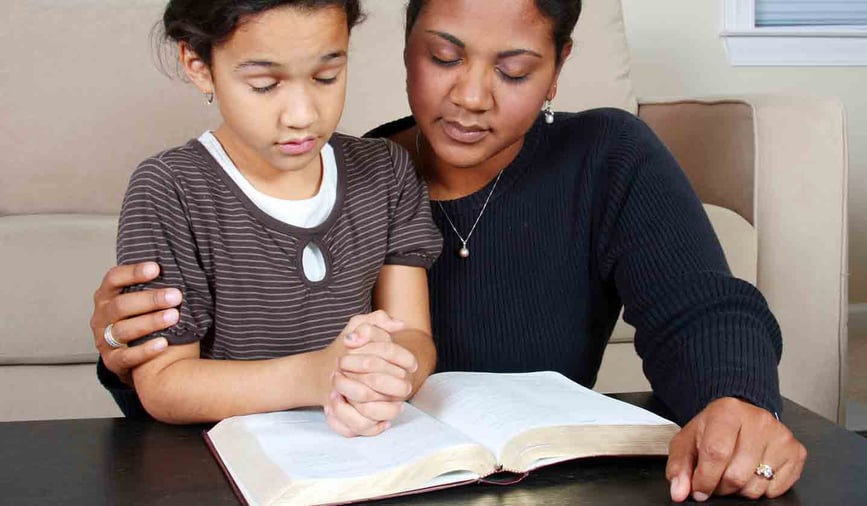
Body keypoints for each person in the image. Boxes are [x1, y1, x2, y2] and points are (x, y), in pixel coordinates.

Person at [90, 0, 807, 502]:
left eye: (515, 70)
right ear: (405, 48)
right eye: (443, 57)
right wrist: (129, 350)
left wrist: (735, 399)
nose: (471, 97)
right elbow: (193, 368)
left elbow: (700, 305)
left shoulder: (604, 157)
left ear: (558, 67)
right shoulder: (357, 169)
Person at [101, 0, 445, 436]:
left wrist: (385, 377)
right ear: (198, 65)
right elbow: (164, 383)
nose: (303, 115)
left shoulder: (385, 170)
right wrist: (317, 375)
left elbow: (413, 334)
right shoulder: (171, 188)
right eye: (264, 84)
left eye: (326, 76)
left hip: (361, 448)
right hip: (227, 457)